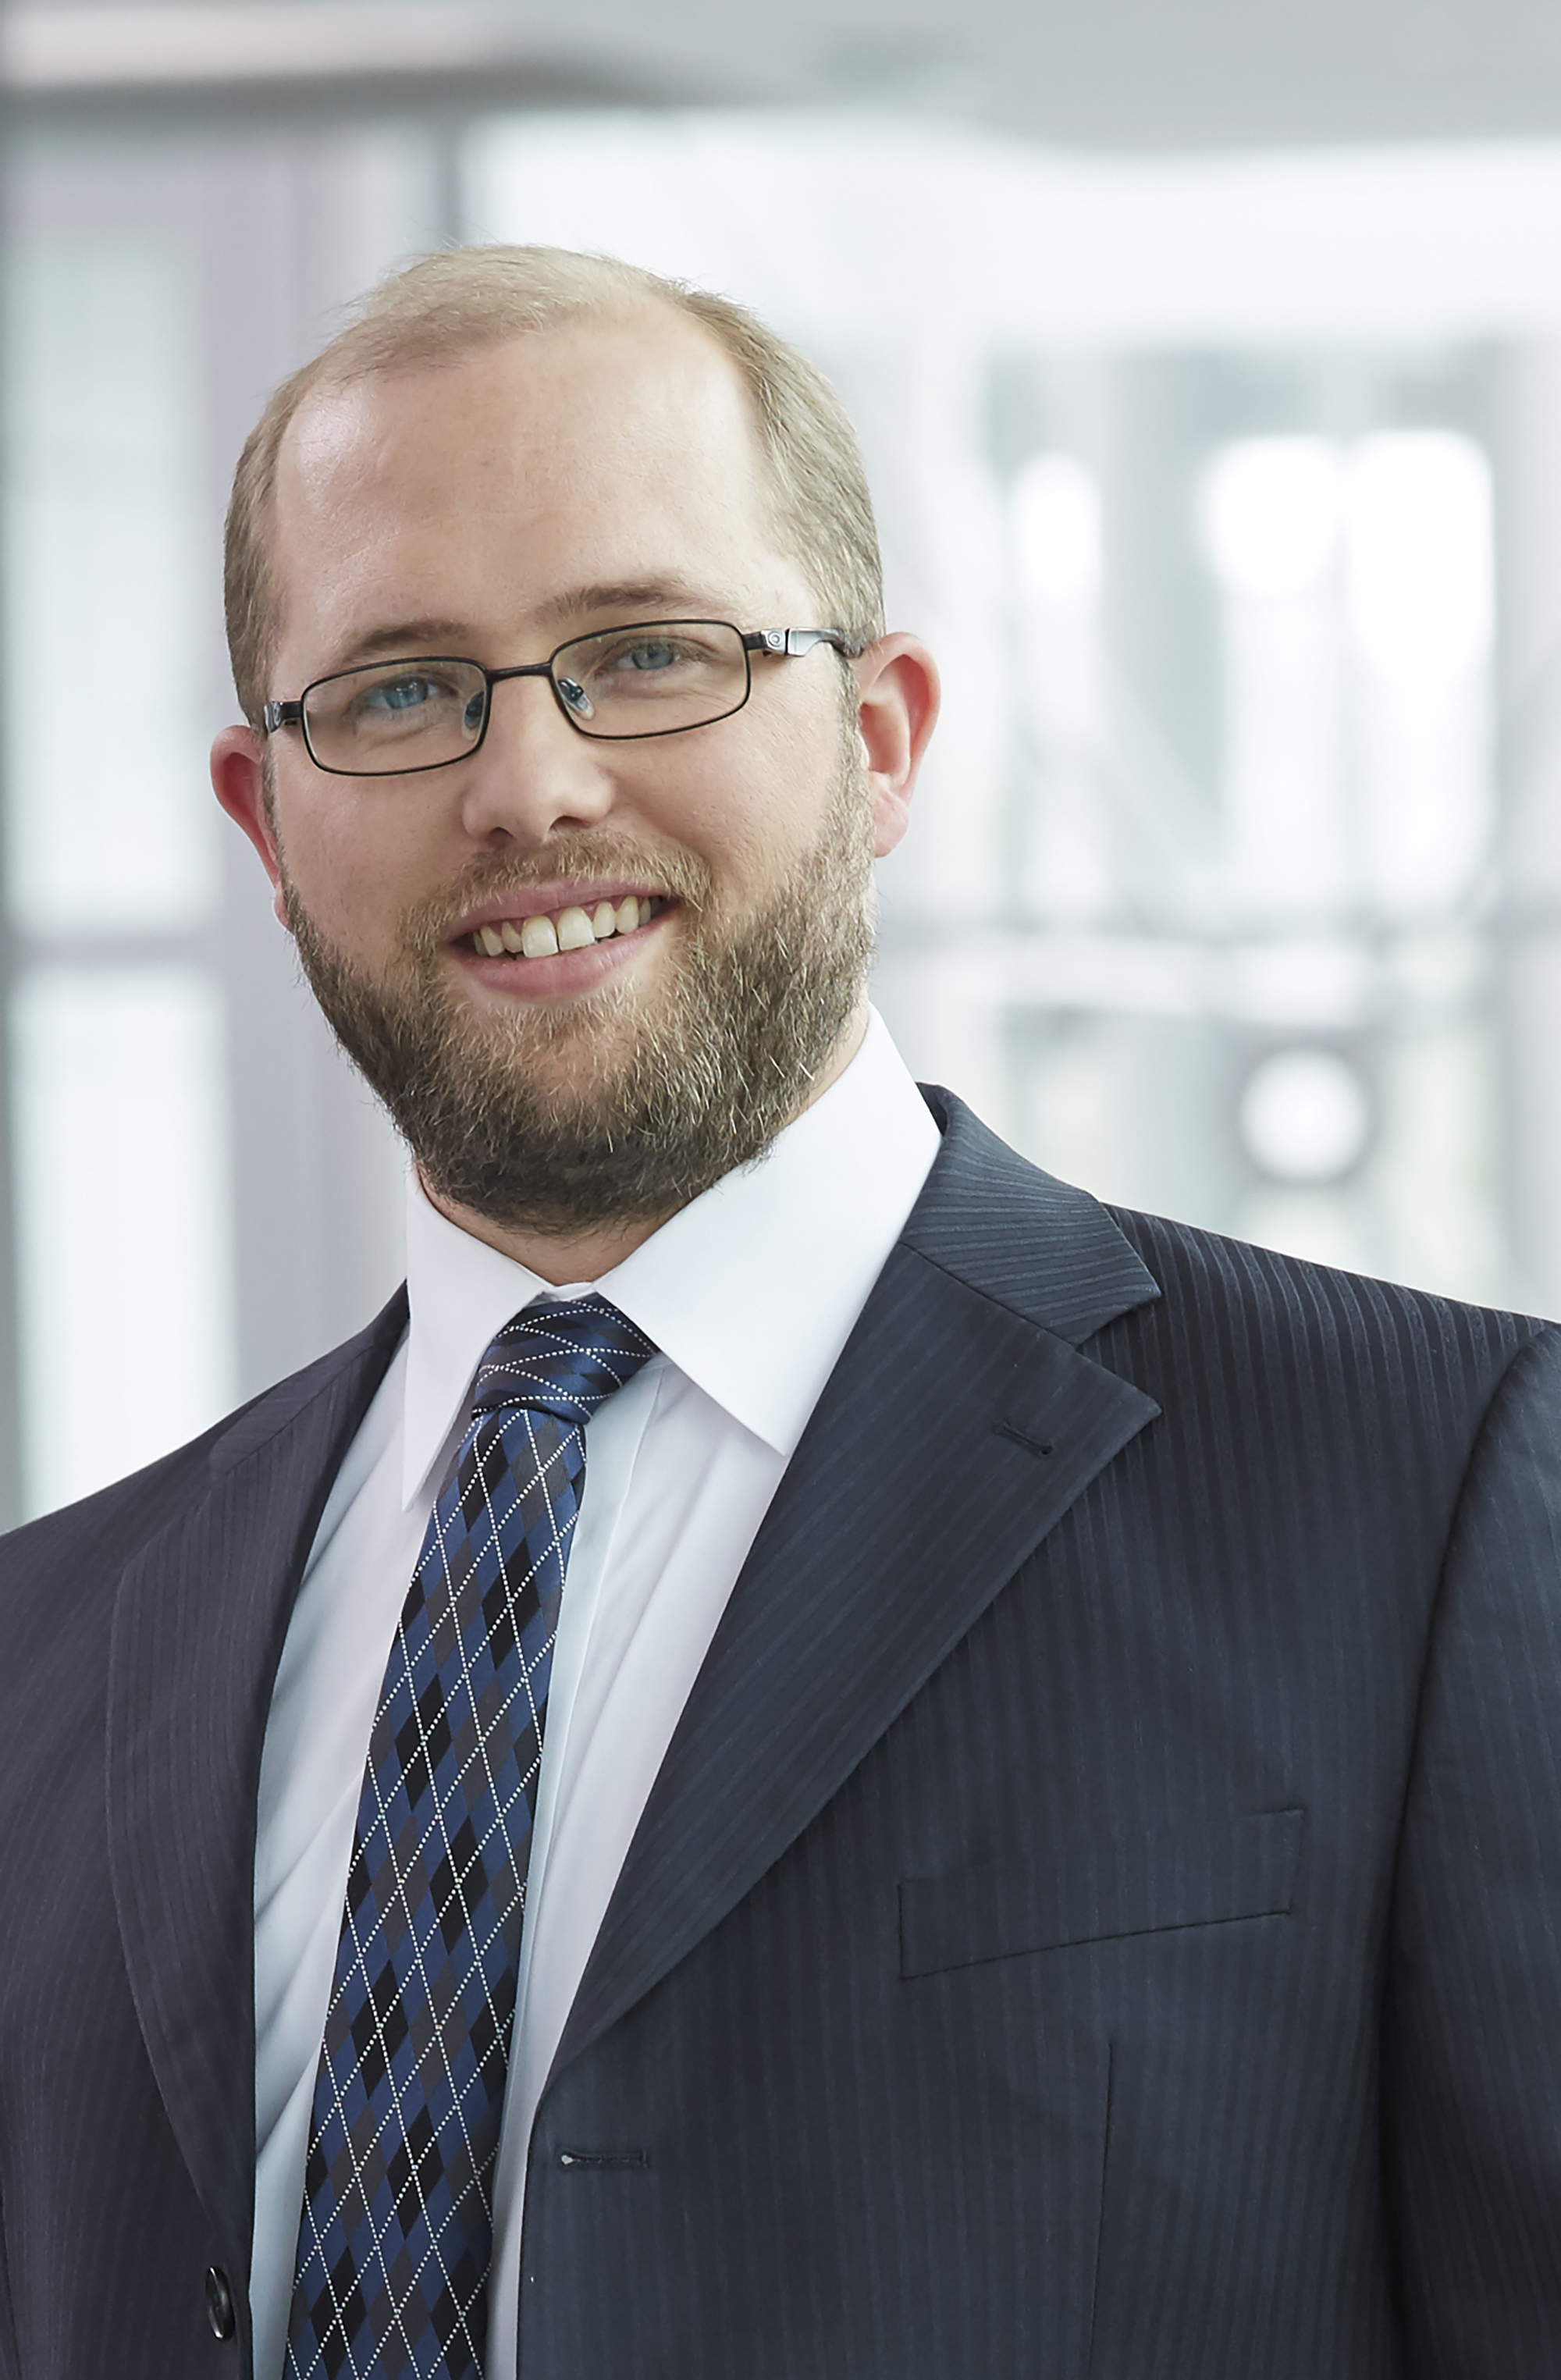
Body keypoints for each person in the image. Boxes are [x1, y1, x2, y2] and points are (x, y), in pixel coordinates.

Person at [2, 242, 1559, 2380]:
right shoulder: (48, 1643)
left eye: (649, 653)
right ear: (268, 819)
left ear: (883, 738)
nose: (531, 785)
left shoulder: (1429, 1498)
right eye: (400, 691)